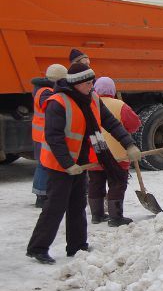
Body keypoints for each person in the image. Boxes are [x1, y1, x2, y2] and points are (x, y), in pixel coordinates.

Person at [26, 63, 142, 265]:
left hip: (81, 162)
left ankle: (77, 245)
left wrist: (129, 144)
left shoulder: (93, 99)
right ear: (77, 83)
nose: (92, 86)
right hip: (59, 164)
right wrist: (67, 163)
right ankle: (38, 248)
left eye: (92, 83)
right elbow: (54, 137)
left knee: (78, 204)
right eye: (88, 83)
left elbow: (111, 123)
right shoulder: (58, 102)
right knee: (55, 206)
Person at [88, 77, 141, 227]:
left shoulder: (90, 105)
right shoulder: (120, 105)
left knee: (95, 183)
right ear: (113, 90)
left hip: (94, 154)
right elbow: (135, 124)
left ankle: (97, 215)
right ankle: (115, 217)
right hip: (117, 155)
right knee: (117, 184)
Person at [31, 64, 68, 208]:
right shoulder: (45, 92)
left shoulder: (43, 90)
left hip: (41, 135)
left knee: (44, 165)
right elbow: (52, 107)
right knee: (44, 165)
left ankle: (43, 193)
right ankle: (41, 195)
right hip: (43, 135)